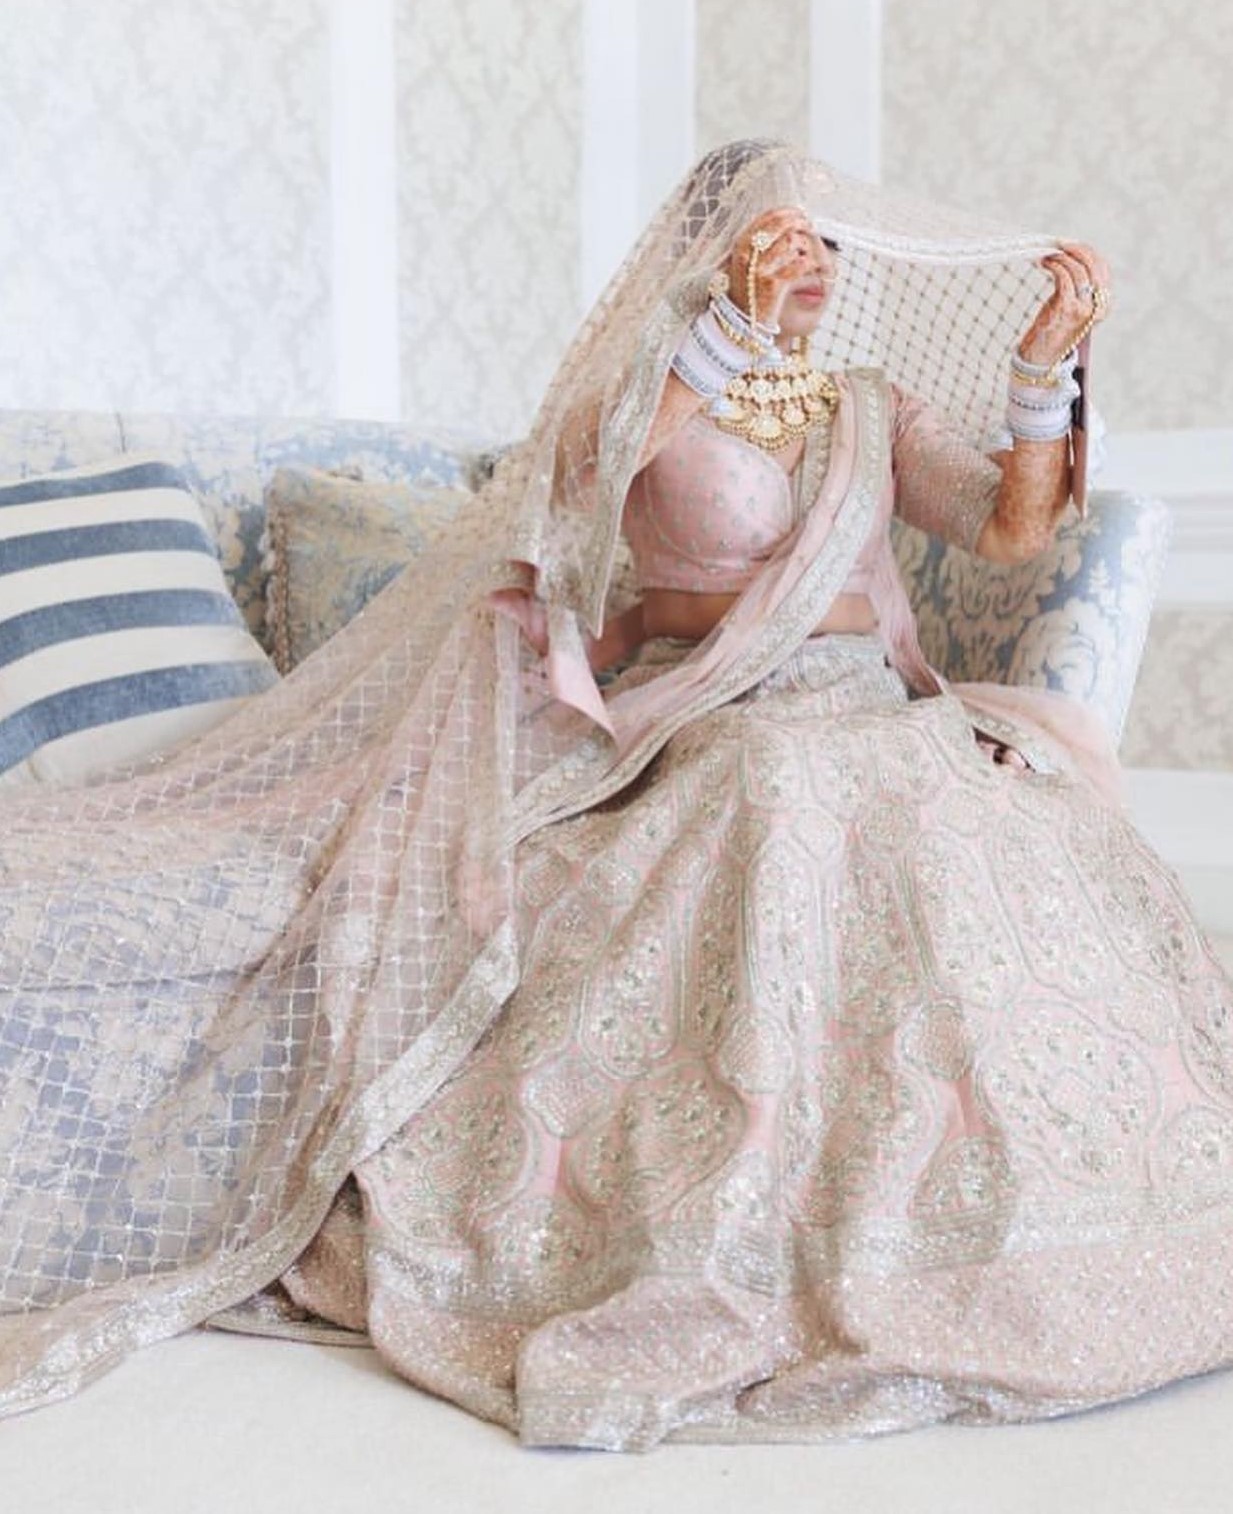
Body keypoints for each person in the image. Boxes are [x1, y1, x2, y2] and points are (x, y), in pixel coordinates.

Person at [1, 141, 1231, 1449]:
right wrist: (724, 333)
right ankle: (736, 1227)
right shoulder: (646, 393)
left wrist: (1042, 367)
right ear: (707, 253)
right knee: (775, 788)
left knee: (987, 812)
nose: (812, 263)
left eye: (825, 243)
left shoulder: (869, 406)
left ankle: (1003, 1211)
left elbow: (1009, 528)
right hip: (707, 719)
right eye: (778, 238)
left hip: (872, 714)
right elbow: (577, 512)